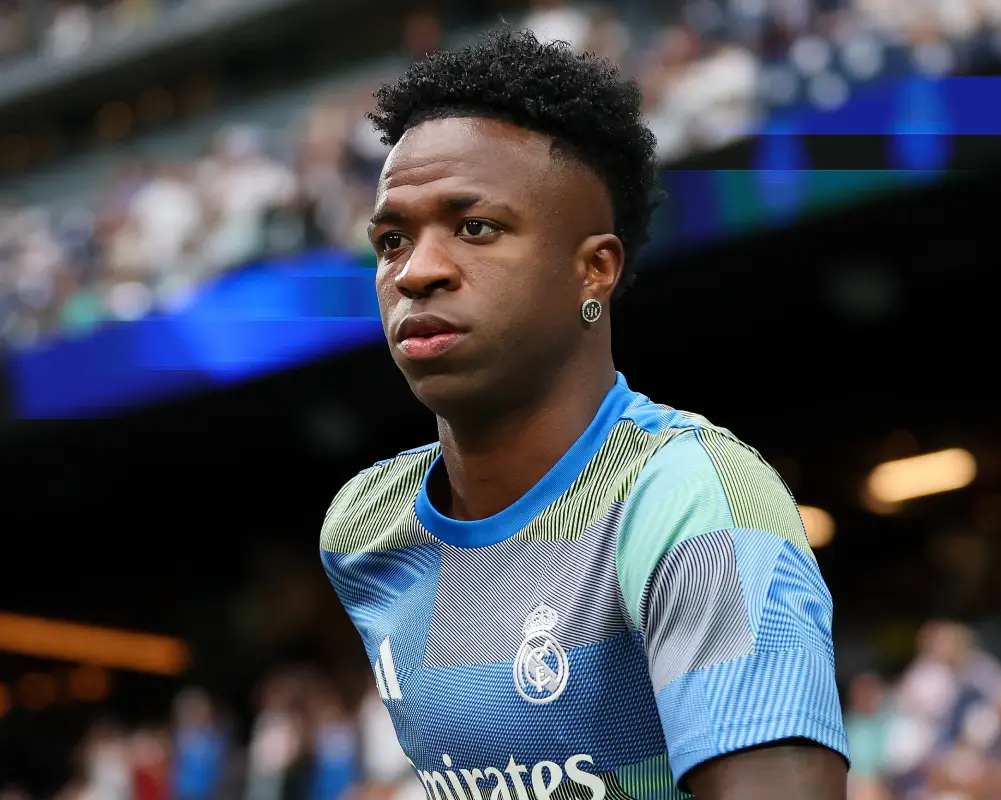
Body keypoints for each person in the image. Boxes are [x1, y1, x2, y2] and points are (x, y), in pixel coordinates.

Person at [318, 29, 849, 800]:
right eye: (392, 239)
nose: (417, 271)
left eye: (475, 228)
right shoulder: (365, 529)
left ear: (593, 268)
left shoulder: (688, 499)